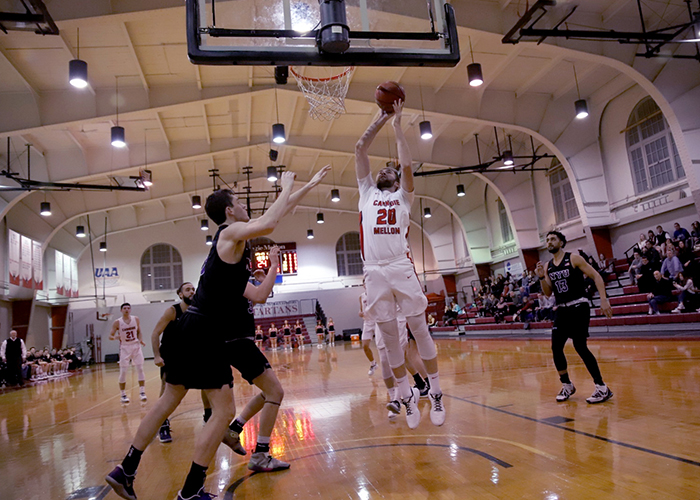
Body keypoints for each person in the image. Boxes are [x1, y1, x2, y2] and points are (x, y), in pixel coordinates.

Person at [106, 168, 328, 500]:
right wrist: (287, 186)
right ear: (229, 210)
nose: (243, 207)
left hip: (188, 330)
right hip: (206, 331)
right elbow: (269, 223)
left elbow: (262, 277)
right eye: (239, 202)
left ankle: (126, 469)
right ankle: (192, 491)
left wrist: (304, 187)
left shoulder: (230, 256)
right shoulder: (229, 232)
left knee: (169, 399)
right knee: (223, 413)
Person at [355, 100, 444, 429]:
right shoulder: (366, 191)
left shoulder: (403, 196)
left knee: (418, 328)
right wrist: (381, 118)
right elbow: (360, 147)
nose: (382, 171)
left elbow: (406, 166)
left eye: (387, 171)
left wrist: (397, 127)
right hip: (373, 272)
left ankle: (435, 391)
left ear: (394, 182)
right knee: (390, 340)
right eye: (382, 171)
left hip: (399, 265)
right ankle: (407, 399)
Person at [535, 230, 614, 404]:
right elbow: (548, 293)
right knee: (556, 348)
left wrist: (603, 299)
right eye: (547, 240)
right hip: (562, 310)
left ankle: (602, 387)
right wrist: (541, 276)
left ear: (561, 242)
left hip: (579, 305)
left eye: (553, 239)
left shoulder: (574, 258)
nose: (549, 242)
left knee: (580, 346)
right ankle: (567, 385)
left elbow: (596, 276)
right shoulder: (548, 266)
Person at [150, 282, 209, 444]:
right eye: (187, 289)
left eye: (193, 289)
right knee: (166, 389)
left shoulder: (199, 310)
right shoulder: (172, 311)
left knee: (208, 383)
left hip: (192, 353)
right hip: (170, 354)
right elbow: (155, 333)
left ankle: (208, 416)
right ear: (180, 294)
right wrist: (156, 356)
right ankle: (163, 424)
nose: (191, 292)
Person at [109, 303, 147, 404]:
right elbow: (110, 336)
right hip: (125, 347)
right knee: (123, 371)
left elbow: (139, 331)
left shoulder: (136, 319)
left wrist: (141, 340)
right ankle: (123, 395)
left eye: (128, 308)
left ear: (130, 310)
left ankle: (142, 392)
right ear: (121, 310)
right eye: (124, 308)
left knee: (140, 368)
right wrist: (115, 337)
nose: (126, 310)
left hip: (135, 346)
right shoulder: (117, 322)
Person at [359, 286, 378, 376]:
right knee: (365, 346)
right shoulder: (361, 297)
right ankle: (373, 363)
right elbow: (360, 309)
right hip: (367, 322)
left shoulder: (376, 294)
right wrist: (360, 313)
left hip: (376, 321)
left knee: (381, 346)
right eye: (364, 283)